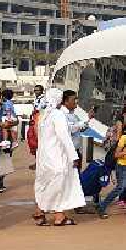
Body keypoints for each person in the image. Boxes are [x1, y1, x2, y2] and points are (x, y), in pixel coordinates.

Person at [34, 89, 86, 226]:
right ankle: (51, 213)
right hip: (57, 156)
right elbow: (64, 137)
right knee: (59, 185)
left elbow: (39, 136)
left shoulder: (43, 115)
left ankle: (49, 213)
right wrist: (73, 156)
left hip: (44, 157)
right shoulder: (57, 115)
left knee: (45, 184)